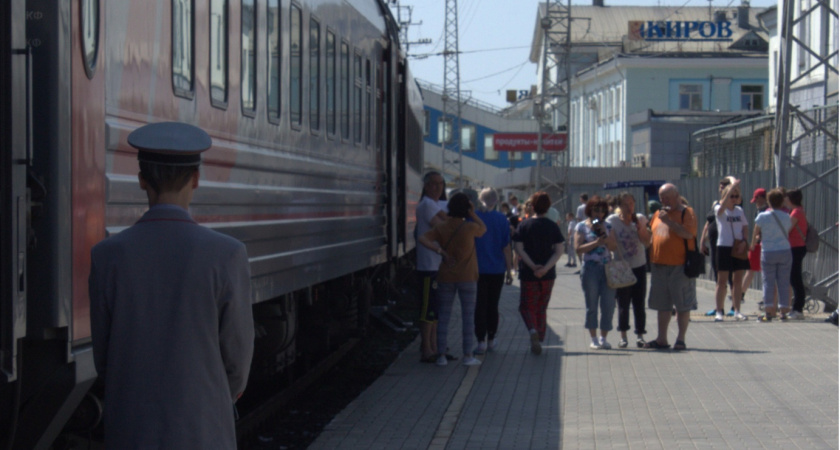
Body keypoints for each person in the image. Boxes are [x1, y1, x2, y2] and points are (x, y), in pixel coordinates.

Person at [89, 122, 254, 448]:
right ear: (195, 179)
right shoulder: (228, 255)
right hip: (203, 430)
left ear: (141, 180)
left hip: (131, 431)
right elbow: (237, 357)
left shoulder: (107, 257)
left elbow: (104, 359)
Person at [418, 193, 486, 366]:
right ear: (466, 209)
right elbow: (483, 228)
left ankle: (441, 356)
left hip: (445, 277)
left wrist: (441, 252)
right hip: (468, 277)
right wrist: (471, 213)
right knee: (468, 317)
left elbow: (422, 238)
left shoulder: (441, 227)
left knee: (444, 317)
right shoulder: (469, 227)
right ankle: (468, 355)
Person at [644, 183, 696, 351]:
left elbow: (689, 234)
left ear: (677, 196)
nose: (664, 201)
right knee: (662, 305)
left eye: (667, 198)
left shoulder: (686, 212)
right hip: (658, 265)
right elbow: (650, 234)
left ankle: (680, 339)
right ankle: (662, 339)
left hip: (680, 266)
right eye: (661, 198)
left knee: (682, 304)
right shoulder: (658, 214)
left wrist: (670, 222)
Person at [513, 192, 565, 355]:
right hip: (548, 275)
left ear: (532, 206)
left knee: (526, 306)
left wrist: (533, 266)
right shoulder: (552, 226)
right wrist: (545, 268)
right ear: (548, 207)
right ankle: (540, 336)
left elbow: (518, 248)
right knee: (542, 306)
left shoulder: (524, 225)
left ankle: (533, 331)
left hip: (528, 273)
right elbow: (559, 251)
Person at [606, 192, 651, 348]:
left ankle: (640, 335)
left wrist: (639, 227)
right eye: (626, 204)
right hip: (621, 267)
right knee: (623, 303)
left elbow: (647, 242)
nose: (629, 207)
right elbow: (610, 244)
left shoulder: (640, 218)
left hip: (639, 265)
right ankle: (623, 336)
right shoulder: (612, 221)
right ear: (619, 206)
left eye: (631, 203)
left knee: (639, 302)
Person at [575, 196, 618, 350]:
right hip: (590, 268)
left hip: (607, 268)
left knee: (608, 305)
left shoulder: (608, 226)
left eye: (601, 210)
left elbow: (613, 247)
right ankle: (593, 338)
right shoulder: (581, 226)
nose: (599, 213)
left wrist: (604, 238)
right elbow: (578, 249)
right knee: (591, 304)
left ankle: (603, 338)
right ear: (590, 210)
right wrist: (595, 243)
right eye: (596, 210)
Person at [473, 187, 513, 354]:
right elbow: (506, 247)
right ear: (496, 201)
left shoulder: (473, 218)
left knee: (479, 305)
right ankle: (492, 338)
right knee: (493, 305)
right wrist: (510, 271)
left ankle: (480, 340)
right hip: (497, 269)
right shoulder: (502, 219)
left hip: (476, 269)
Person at [415, 171, 448, 362]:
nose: (437, 188)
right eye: (433, 184)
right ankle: (427, 348)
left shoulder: (434, 204)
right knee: (428, 308)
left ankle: (434, 346)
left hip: (436, 265)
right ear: (426, 186)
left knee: (434, 309)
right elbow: (443, 227)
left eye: (441, 184)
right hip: (428, 265)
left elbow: (448, 222)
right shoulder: (427, 204)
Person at [752, 189, 792, 322]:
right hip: (784, 250)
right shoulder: (787, 217)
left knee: (768, 281)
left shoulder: (763, 216)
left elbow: (756, 231)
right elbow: (788, 230)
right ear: (782, 202)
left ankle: (768, 312)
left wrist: (752, 244)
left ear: (768, 202)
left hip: (768, 251)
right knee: (784, 281)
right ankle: (784, 311)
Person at [713, 179, 750, 322]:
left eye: (736, 196)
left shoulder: (739, 210)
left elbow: (745, 227)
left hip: (738, 246)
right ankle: (719, 311)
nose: (734, 199)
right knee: (721, 281)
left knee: (737, 280)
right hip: (724, 246)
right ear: (725, 195)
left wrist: (744, 241)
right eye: (731, 196)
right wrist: (731, 187)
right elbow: (721, 208)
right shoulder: (719, 208)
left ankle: (737, 310)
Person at [743, 188, 768, 306]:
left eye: (757, 199)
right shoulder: (761, 210)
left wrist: (752, 244)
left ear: (763, 198)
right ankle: (741, 293)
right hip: (760, 243)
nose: (756, 203)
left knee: (761, 271)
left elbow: (756, 230)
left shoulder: (764, 211)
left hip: (760, 244)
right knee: (753, 269)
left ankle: (742, 294)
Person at [786, 188, 808, 320]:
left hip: (796, 247)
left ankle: (798, 308)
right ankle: (797, 307)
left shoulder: (796, 212)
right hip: (796, 247)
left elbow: (787, 228)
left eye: (787, 198)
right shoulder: (798, 210)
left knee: (795, 278)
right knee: (794, 278)